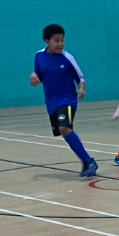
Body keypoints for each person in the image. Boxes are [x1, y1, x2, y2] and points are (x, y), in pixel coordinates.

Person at [30, 24, 98, 177]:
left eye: (62, 40)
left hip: (67, 100)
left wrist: (81, 89)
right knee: (63, 131)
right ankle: (87, 162)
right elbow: (39, 75)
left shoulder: (68, 58)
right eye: (56, 40)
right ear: (47, 41)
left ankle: (88, 162)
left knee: (64, 128)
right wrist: (33, 76)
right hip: (51, 102)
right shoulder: (39, 56)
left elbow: (80, 79)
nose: (60, 43)